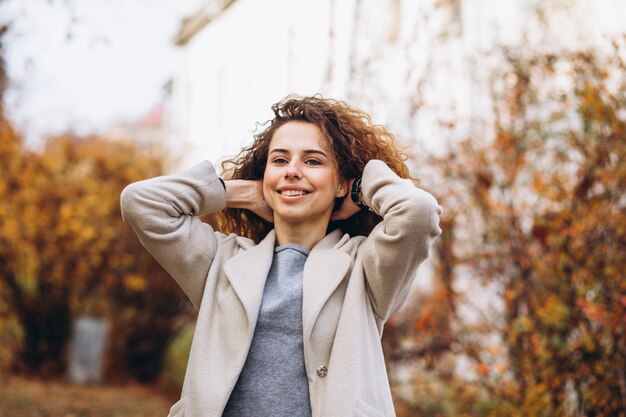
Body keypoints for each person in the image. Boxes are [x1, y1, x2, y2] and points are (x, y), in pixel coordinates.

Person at [120, 95, 442, 417]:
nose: (292, 171)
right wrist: (239, 192)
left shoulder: (364, 270)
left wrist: (361, 188)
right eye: (280, 160)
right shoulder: (220, 261)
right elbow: (141, 203)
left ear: (341, 184)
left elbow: (418, 212)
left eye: (313, 161)